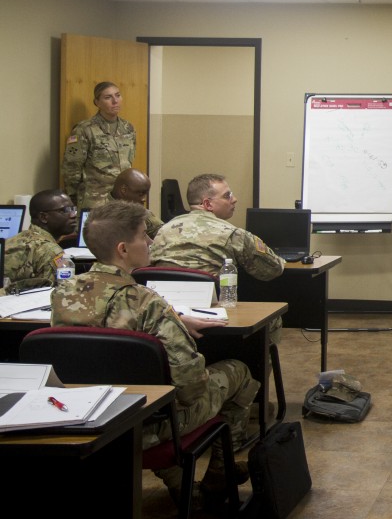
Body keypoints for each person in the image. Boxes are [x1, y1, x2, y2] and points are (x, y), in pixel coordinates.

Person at [51, 201, 259, 504]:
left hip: (85, 417)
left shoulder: (62, 293)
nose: (150, 242)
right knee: (237, 371)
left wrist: (170, 317)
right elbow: (190, 388)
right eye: (142, 236)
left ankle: (179, 485)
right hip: (145, 424)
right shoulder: (148, 303)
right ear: (123, 248)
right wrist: (168, 320)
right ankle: (218, 478)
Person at [149, 173, 284, 281]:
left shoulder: (164, 230)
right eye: (227, 196)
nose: (234, 199)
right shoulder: (232, 234)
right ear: (208, 204)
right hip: (213, 309)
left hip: (167, 308)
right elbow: (273, 269)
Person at [62, 81, 136, 209]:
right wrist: (72, 197)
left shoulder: (128, 128)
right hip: (95, 199)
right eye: (108, 97)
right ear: (97, 102)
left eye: (117, 95)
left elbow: (129, 161)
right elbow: (72, 167)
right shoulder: (84, 129)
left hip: (123, 198)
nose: (115, 101)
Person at [3, 189, 77, 294]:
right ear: (43, 217)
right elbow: (58, 296)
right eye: (65, 210)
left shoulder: (14, 239)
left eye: (73, 209)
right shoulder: (50, 251)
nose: (73, 215)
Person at [91, 168, 164, 238]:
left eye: (145, 194)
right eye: (140, 193)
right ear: (124, 190)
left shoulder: (142, 213)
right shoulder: (98, 212)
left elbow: (165, 233)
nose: (144, 199)